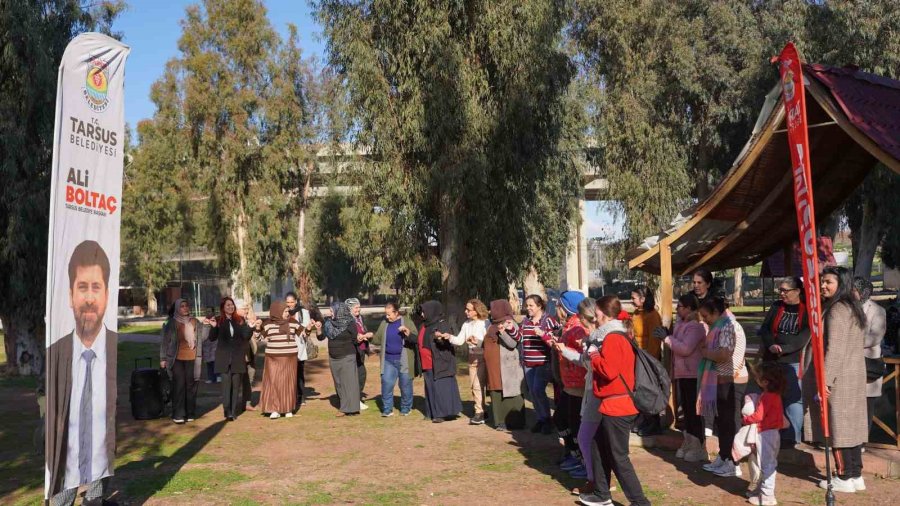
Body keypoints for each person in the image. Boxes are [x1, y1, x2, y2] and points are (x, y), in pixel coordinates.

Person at [46, 240, 118, 505]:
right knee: (62, 494)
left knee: (96, 488)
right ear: (70, 295)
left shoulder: (112, 350)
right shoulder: (55, 353)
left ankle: (94, 498)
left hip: (100, 451)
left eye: (96, 288)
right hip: (65, 456)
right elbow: (44, 392)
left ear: (107, 295)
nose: (89, 299)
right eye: (82, 287)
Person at [581, 295, 650, 506]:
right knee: (598, 445)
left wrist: (594, 355)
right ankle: (602, 494)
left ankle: (640, 502)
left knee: (618, 456)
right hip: (614, 404)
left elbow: (609, 371)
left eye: (597, 312)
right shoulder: (617, 335)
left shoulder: (612, 337)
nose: (595, 317)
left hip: (618, 406)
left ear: (603, 313)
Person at [804, 266, 868, 493]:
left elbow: (835, 350)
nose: (823, 286)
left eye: (828, 282)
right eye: (822, 281)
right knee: (851, 428)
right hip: (851, 376)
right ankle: (855, 474)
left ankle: (844, 476)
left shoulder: (838, 309)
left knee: (837, 427)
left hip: (838, 378)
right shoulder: (852, 306)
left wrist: (826, 381)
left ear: (841, 284)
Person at [698, 297, 749, 478]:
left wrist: (705, 353)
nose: (704, 320)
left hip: (732, 380)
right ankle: (724, 455)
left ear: (715, 313)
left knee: (729, 422)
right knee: (722, 421)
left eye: (706, 316)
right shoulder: (720, 325)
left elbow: (724, 354)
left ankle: (733, 462)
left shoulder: (728, 326)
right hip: (722, 379)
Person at [757, 277, 810, 448]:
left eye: (785, 290)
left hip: (793, 360)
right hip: (772, 360)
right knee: (772, 397)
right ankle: (772, 433)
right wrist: (771, 345)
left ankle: (792, 437)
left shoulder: (806, 310)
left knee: (793, 399)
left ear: (797, 291)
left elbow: (805, 335)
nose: (781, 294)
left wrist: (784, 349)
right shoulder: (776, 306)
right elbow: (765, 328)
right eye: (780, 290)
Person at [551, 291, 592, 484]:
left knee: (575, 425)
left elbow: (583, 357)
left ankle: (583, 462)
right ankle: (575, 455)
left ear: (566, 308)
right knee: (561, 419)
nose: (556, 308)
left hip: (578, 384)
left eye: (559, 305)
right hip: (569, 383)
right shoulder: (569, 325)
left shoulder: (577, 327)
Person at [661, 293, 708, 462]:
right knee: (686, 410)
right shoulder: (682, 324)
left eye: (679, 306)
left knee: (694, 411)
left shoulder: (696, 327)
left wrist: (667, 339)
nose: (677, 309)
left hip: (693, 374)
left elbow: (685, 348)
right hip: (682, 373)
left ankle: (699, 446)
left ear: (688, 308)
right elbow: (677, 341)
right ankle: (689, 441)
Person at [742, 362, 786, 506]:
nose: (756, 380)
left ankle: (767, 497)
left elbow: (759, 416)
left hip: (766, 434)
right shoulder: (776, 395)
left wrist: (746, 420)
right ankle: (761, 492)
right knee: (768, 463)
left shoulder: (766, 396)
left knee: (767, 465)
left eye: (758, 377)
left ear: (765, 381)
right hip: (773, 433)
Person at [412, 300, 462, 422]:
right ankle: (431, 412)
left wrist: (440, 339)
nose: (422, 314)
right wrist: (409, 335)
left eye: (424, 311)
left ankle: (441, 414)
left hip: (440, 363)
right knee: (430, 388)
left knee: (441, 388)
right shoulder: (424, 325)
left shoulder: (442, 325)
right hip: (427, 363)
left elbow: (447, 342)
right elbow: (420, 341)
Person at [443, 299, 489, 425]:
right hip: (471, 358)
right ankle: (482, 410)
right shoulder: (466, 324)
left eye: (468, 310)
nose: (466, 311)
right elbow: (459, 340)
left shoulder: (485, 323)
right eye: (466, 309)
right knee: (474, 387)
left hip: (483, 357)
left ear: (476, 310)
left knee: (477, 385)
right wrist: (449, 337)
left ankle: (479, 412)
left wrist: (477, 342)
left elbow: (489, 342)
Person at [521, 294, 561, 434]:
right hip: (528, 363)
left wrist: (543, 334)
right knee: (532, 392)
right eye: (527, 305)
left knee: (538, 389)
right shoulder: (526, 321)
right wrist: (509, 329)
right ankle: (541, 419)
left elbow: (557, 338)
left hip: (543, 362)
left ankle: (547, 420)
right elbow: (519, 337)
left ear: (539, 306)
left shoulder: (548, 320)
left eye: (531, 305)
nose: (528, 308)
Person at [207, 297, 252, 421]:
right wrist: (214, 327)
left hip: (237, 358)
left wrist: (250, 327)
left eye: (232, 305)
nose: (230, 307)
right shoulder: (218, 320)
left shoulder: (240, 320)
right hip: (224, 359)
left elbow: (246, 336)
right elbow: (212, 338)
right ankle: (227, 410)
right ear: (223, 307)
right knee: (226, 387)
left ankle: (233, 411)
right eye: (228, 305)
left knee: (236, 386)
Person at [484, 299, 526, 430]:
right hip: (493, 366)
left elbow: (513, 344)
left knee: (510, 392)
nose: (490, 312)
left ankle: (514, 422)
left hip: (506, 365)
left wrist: (502, 332)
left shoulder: (510, 322)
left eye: (493, 309)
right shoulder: (491, 324)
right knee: (496, 391)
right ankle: (500, 421)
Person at [160, 298, 203, 424]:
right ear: (177, 308)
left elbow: (203, 337)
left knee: (190, 386)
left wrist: (207, 326)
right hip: (176, 358)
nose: (185, 308)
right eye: (182, 306)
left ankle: (190, 413)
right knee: (179, 385)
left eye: (186, 305)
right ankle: (178, 414)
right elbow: (164, 342)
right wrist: (163, 358)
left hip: (192, 358)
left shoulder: (195, 321)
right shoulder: (171, 323)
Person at [257, 300, 301, 419]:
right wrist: (257, 328)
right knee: (274, 383)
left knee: (288, 383)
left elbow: (303, 334)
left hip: (290, 358)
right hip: (273, 358)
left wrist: (308, 328)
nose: (287, 313)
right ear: (277, 311)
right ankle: (275, 409)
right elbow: (259, 338)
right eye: (285, 311)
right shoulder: (267, 324)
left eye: (288, 311)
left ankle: (288, 409)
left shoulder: (293, 322)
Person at [372, 302, 417, 417]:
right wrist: (369, 336)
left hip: (404, 360)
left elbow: (416, 338)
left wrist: (407, 332)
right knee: (386, 384)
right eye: (386, 314)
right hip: (388, 360)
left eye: (389, 314)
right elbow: (377, 340)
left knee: (405, 385)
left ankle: (406, 408)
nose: (387, 317)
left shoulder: (407, 322)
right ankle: (387, 409)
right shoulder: (384, 323)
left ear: (396, 312)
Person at [854, 276, 886, 434]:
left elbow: (875, 337)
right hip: (850, 364)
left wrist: (849, 344)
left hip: (868, 364)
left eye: (853, 290)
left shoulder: (877, 310)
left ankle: (862, 439)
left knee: (867, 405)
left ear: (863, 292)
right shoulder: (846, 308)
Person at [630, 286, 663, 436]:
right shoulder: (637, 313)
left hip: (648, 360)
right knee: (639, 391)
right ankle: (644, 418)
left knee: (649, 391)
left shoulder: (652, 315)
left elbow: (654, 341)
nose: (631, 301)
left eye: (634, 298)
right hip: (637, 357)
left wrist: (649, 361)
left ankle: (654, 422)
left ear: (643, 299)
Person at [319, 302, 361, 416]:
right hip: (333, 357)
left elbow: (354, 339)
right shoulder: (328, 323)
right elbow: (320, 337)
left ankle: (350, 409)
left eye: (332, 311)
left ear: (340, 311)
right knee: (339, 383)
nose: (330, 313)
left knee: (349, 383)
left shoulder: (350, 323)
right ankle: (345, 405)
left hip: (347, 356)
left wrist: (360, 338)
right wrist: (318, 329)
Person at [285, 292, 312, 407]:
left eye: (292, 302)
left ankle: (301, 397)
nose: (290, 304)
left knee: (299, 372)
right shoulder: (284, 312)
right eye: (288, 302)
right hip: (286, 346)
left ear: (296, 301)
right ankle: (290, 396)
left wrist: (305, 330)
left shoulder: (303, 312)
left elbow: (306, 327)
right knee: (288, 373)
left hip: (299, 345)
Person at [347, 298, 373, 410]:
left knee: (360, 375)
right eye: (356, 307)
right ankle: (355, 400)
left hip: (361, 350)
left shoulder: (360, 318)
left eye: (359, 307)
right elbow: (349, 336)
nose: (358, 309)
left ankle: (355, 398)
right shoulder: (348, 321)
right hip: (353, 351)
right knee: (359, 375)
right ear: (349, 309)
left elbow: (362, 330)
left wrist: (367, 335)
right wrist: (358, 337)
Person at [235, 299, 259, 412]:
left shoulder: (246, 321)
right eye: (244, 308)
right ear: (237, 309)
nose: (246, 311)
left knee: (249, 380)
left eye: (247, 309)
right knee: (236, 382)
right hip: (239, 357)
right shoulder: (235, 322)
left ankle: (247, 403)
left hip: (249, 356)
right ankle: (233, 405)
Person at [201, 307, 219, 384]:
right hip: (206, 345)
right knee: (209, 362)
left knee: (215, 361)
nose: (208, 313)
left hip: (215, 344)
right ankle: (211, 378)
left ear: (213, 312)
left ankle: (217, 376)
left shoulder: (217, 321)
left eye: (209, 311)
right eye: (206, 311)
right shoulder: (203, 322)